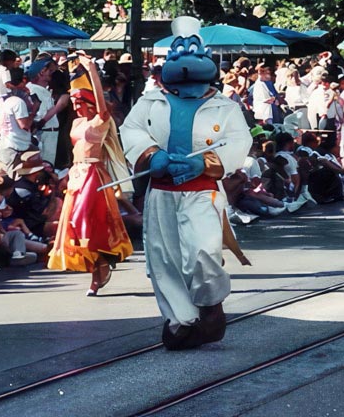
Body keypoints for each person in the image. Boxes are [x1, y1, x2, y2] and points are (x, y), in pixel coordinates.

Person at [120, 17, 252, 350]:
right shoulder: (150, 101)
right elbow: (131, 130)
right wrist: (152, 155)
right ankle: (180, 318)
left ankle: (210, 307)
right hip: (162, 193)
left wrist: (203, 163)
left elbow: (239, 141)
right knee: (163, 257)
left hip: (201, 193)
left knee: (201, 253)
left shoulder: (225, 107)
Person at [48, 56, 133, 294]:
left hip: (94, 175)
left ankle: (102, 265)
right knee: (75, 225)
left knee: (88, 222)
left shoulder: (100, 121)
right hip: (77, 174)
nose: (75, 105)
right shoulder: (75, 124)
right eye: (73, 100)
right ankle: (98, 268)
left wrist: (92, 69)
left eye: (78, 100)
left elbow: (101, 103)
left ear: (88, 100)